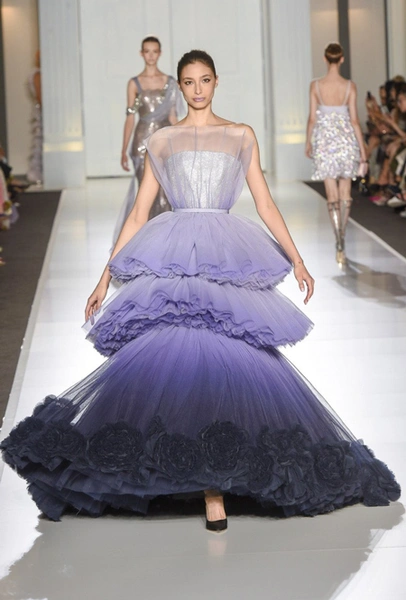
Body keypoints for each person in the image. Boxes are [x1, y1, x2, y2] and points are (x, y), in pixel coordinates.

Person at [1, 50, 400, 532]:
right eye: (188, 82)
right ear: (180, 86)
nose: (196, 89)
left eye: (204, 80)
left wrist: (296, 259)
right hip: (174, 252)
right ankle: (198, 478)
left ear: (215, 82)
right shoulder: (162, 140)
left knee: (223, 357)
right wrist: (104, 278)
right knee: (179, 359)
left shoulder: (240, 135)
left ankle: (215, 484)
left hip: (224, 252)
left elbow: (264, 202)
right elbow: (138, 213)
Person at [113, 36, 183, 244]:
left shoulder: (170, 82)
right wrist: (124, 149)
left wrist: (182, 145)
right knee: (147, 193)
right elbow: (130, 118)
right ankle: (150, 241)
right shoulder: (134, 83)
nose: (151, 55)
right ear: (141, 53)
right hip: (141, 142)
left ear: (159, 53)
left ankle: (166, 239)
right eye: (147, 51)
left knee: (166, 192)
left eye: (154, 51)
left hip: (165, 142)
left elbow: (173, 117)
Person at [305, 43, 367, 266]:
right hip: (346, 141)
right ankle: (343, 235)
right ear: (341, 59)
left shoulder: (316, 86)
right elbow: (355, 121)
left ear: (325, 59)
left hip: (324, 142)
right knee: (345, 194)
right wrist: (363, 152)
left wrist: (308, 141)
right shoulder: (350, 86)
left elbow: (313, 118)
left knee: (332, 195)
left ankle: (337, 240)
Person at [27, 51, 42, 185]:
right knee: (39, 140)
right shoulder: (37, 74)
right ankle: (36, 172)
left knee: (40, 140)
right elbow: (40, 96)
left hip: (39, 109)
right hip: (40, 111)